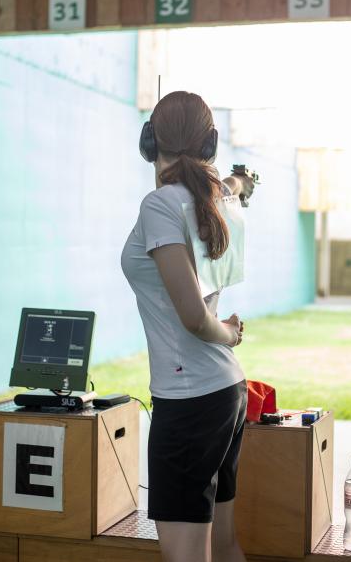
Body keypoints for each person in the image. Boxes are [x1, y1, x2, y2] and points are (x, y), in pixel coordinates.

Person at [121, 91, 256, 562]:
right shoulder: (216, 198)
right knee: (224, 545)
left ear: (150, 140)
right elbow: (235, 185)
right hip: (227, 392)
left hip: (190, 401)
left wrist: (229, 331)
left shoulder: (160, 205)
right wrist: (240, 181)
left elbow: (196, 317)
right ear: (210, 144)